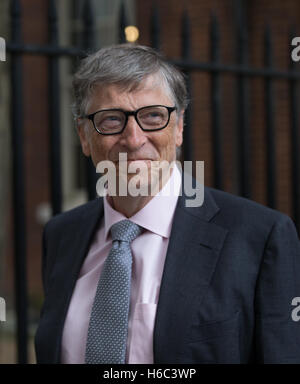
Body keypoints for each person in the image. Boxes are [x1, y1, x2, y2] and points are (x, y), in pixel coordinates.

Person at [35, 44, 300, 364]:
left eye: (152, 116)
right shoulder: (62, 235)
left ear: (179, 128)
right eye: (110, 119)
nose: (133, 139)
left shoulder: (259, 237)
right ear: (83, 136)